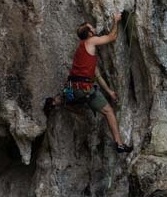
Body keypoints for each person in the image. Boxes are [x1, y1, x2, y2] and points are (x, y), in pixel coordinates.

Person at [44, 14, 133, 153]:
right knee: (109, 112)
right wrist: (116, 21)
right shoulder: (90, 42)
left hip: (72, 87)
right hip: (84, 89)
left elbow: (96, 75)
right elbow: (112, 37)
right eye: (92, 28)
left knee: (71, 96)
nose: (95, 29)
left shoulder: (82, 51)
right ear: (89, 34)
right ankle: (119, 144)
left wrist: (109, 91)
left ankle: (54, 102)